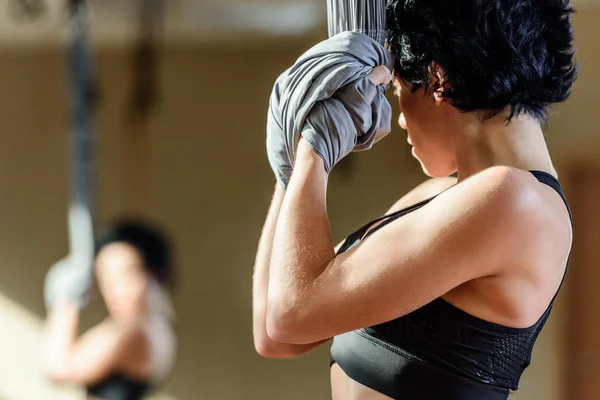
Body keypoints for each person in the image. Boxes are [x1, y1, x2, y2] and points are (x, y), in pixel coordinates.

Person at [252, 0, 576, 398]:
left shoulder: (517, 201)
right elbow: (276, 335)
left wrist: (314, 150)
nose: (400, 116)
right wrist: (289, 171)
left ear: (438, 77)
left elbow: (291, 314)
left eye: (395, 88)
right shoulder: (442, 196)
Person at [42, 218, 177, 400]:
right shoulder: (153, 328)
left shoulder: (136, 330)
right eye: (106, 278)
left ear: (153, 278)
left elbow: (58, 368)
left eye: (126, 275)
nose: (115, 291)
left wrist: (64, 303)